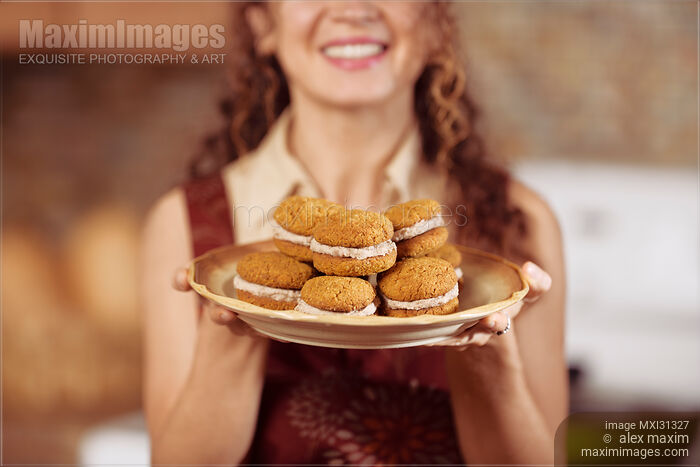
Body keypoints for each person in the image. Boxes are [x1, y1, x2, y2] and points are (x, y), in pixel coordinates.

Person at [141, 2, 566, 464]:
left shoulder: (518, 222)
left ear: (434, 25)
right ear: (264, 24)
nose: (351, 8)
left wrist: (488, 352)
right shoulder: (185, 223)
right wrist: (234, 322)